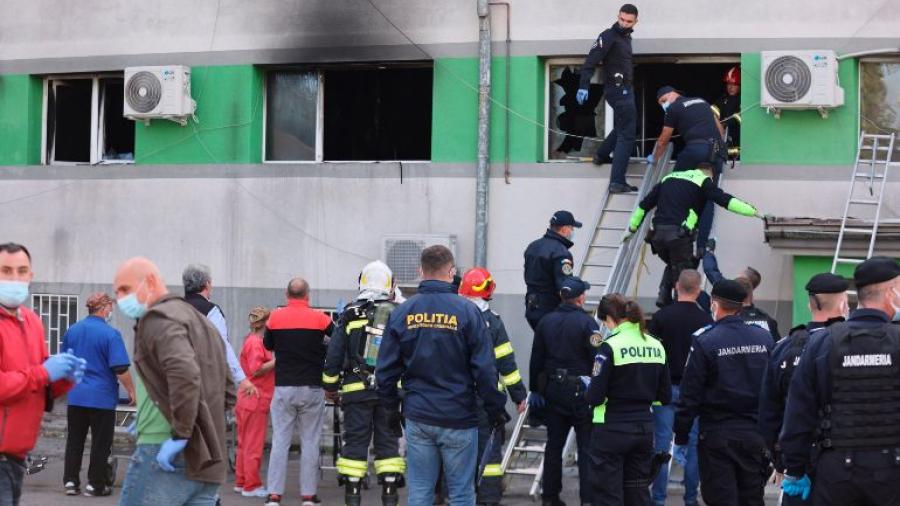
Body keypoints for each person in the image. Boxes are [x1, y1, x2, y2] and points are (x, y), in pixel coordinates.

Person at [376, 245, 509, 506]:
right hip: (459, 416)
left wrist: (391, 411)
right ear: (451, 272)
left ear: (420, 271)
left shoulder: (402, 312)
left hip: (418, 416)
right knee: (461, 493)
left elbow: (385, 371)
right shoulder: (469, 312)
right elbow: (485, 369)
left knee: (421, 492)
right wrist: (495, 408)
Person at [114, 256, 235, 506]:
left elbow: (184, 373)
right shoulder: (204, 322)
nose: (120, 298)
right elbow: (228, 389)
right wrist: (150, 410)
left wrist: (181, 432)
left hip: (163, 449)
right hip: (208, 461)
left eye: (125, 289)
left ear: (150, 281)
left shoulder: (158, 319)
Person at [780, 257, 900, 504]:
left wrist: (795, 468)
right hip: (892, 471)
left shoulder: (822, 342)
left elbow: (799, 411)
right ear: (891, 293)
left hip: (836, 472)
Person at [674, 279, 775, 506]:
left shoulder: (705, 341)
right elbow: (775, 389)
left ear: (714, 304)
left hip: (717, 435)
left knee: (721, 498)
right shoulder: (764, 338)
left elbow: (690, 395)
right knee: (752, 498)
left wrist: (680, 435)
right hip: (754, 434)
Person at [0, 243, 83, 506]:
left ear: (30, 276)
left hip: (17, 454)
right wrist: (43, 373)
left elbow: (40, 382)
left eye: (21, 271)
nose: (15, 278)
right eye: (5, 270)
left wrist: (64, 378)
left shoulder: (32, 320)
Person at [757, 273, 848, 502]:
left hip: (797, 461)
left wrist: (781, 462)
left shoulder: (784, 348)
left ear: (810, 304)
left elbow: (769, 411)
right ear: (844, 303)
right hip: (844, 461)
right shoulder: (853, 345)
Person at [323, 261, 405, 506]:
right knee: (388, 445)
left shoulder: (350, 313)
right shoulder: (399, 313)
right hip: (390, 393)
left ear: (362, 282)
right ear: (389, 284)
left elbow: (334, 355)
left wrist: (329, 386)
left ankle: (353, 497)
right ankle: (389, 497)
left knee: (356, 444)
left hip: (356, 392)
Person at [626, 162, 761, 307]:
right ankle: (678, 305)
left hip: (657, 237)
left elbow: (643, 205)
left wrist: (632, 229)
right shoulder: (703, 181)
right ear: (710, 174)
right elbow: (725, 200)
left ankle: (663, 296)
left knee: (675, 263)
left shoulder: (669, 178)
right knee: (686, 274)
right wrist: (753, 212)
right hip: (678, 237)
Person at [587, 293, 671, 506]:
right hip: (643, 428)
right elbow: (664, 396)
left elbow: (595, 396)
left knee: (608, 493)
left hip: (611, 430)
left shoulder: (609, 346)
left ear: (609, 319)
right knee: (637, 492)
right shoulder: (656, 345)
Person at [458, 267, 528, 506]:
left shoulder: (452, 318)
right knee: (489, 454)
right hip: (488, 401)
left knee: (454, 451)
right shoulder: (493, 322)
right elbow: (506, 363)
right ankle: (487, 499)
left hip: (455, 399)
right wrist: (519, 396)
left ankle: (451, 495)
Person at [529, 276, 602, 506]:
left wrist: (535, 391)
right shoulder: (588, 324)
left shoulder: (545, 321)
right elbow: (597, 361)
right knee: (586, 449)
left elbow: (536, 360)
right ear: (580, 298)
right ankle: (587, 500)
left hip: (553, 391)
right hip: (581, 392)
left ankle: (550, 498)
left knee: (553, 446)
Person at [263, 278, 334, 506]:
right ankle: (308, 496)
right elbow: (337, 342)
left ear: (287, 294)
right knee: (310, 442)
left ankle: (274, 495)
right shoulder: (321, 319)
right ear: (308, 295)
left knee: (280, 443)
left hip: (283, 388)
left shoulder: (275, 317)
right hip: (312, 388)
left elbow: (268, 345)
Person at [647, 270, 712, 506]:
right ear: (699, 289)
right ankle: (690, 499)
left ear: (676, 286)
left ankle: (658, 499)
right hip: (694, 393)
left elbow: (651, 356)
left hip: (664, 390)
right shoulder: (706, 321)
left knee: (662, 445)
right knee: (693, 446)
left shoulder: (661, 317)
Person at [62, 293, 134, 497]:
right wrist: (131, 389)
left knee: (74, 440)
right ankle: (95, 485)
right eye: (110, 307)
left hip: (76, 396)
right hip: (101, 398)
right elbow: (120, 368)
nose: (111, 311)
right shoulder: (111, 334)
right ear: (104, 308)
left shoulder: (72, 331)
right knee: (101, 443)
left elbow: (64, 362)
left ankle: (70, 482)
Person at [577, 3, 640, 194]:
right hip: (618, 91)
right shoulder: (608, 35)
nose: (624, 23)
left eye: (629, 21)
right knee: (627, 134)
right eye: (622, 19)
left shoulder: (625, 38)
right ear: (617, 16)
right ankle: (617, 181)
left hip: (624, 90)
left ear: (635, 21)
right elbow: (591, 61)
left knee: (625, 127)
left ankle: (601, 155)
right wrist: (583, 86)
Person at [182, 264, 256, 398]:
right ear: (206, 284)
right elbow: (222, 346)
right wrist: (241, 379)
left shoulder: (173, 308)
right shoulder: (211, 311)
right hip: (204, 382)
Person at [234, 306, 275, 498]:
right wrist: (277, 360)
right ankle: (251, 485)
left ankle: (241, 481)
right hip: (256, 399)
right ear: (265, 323)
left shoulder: (250, 341)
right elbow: (256, 369)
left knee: (244, 443)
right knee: (253, 445)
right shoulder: (256, 343)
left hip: (246, 399)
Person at [523, 210, 582, 329]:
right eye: (571, 228)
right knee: (555, 346)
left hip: (532, 307)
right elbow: (565, 287)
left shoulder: (533, 246)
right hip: (551, 310)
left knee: (541, 344)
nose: (572, 232)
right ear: (564, 229)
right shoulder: (560, 253)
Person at [711, 66, 741, 163]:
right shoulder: (722, 99)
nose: (730, 87)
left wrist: (724, 124)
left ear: (740, 85)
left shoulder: (743, 99)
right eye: (728, 84)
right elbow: (711, 114)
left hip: (738, 145)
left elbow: (739, 118)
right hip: (722, 145)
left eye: (734, 84)